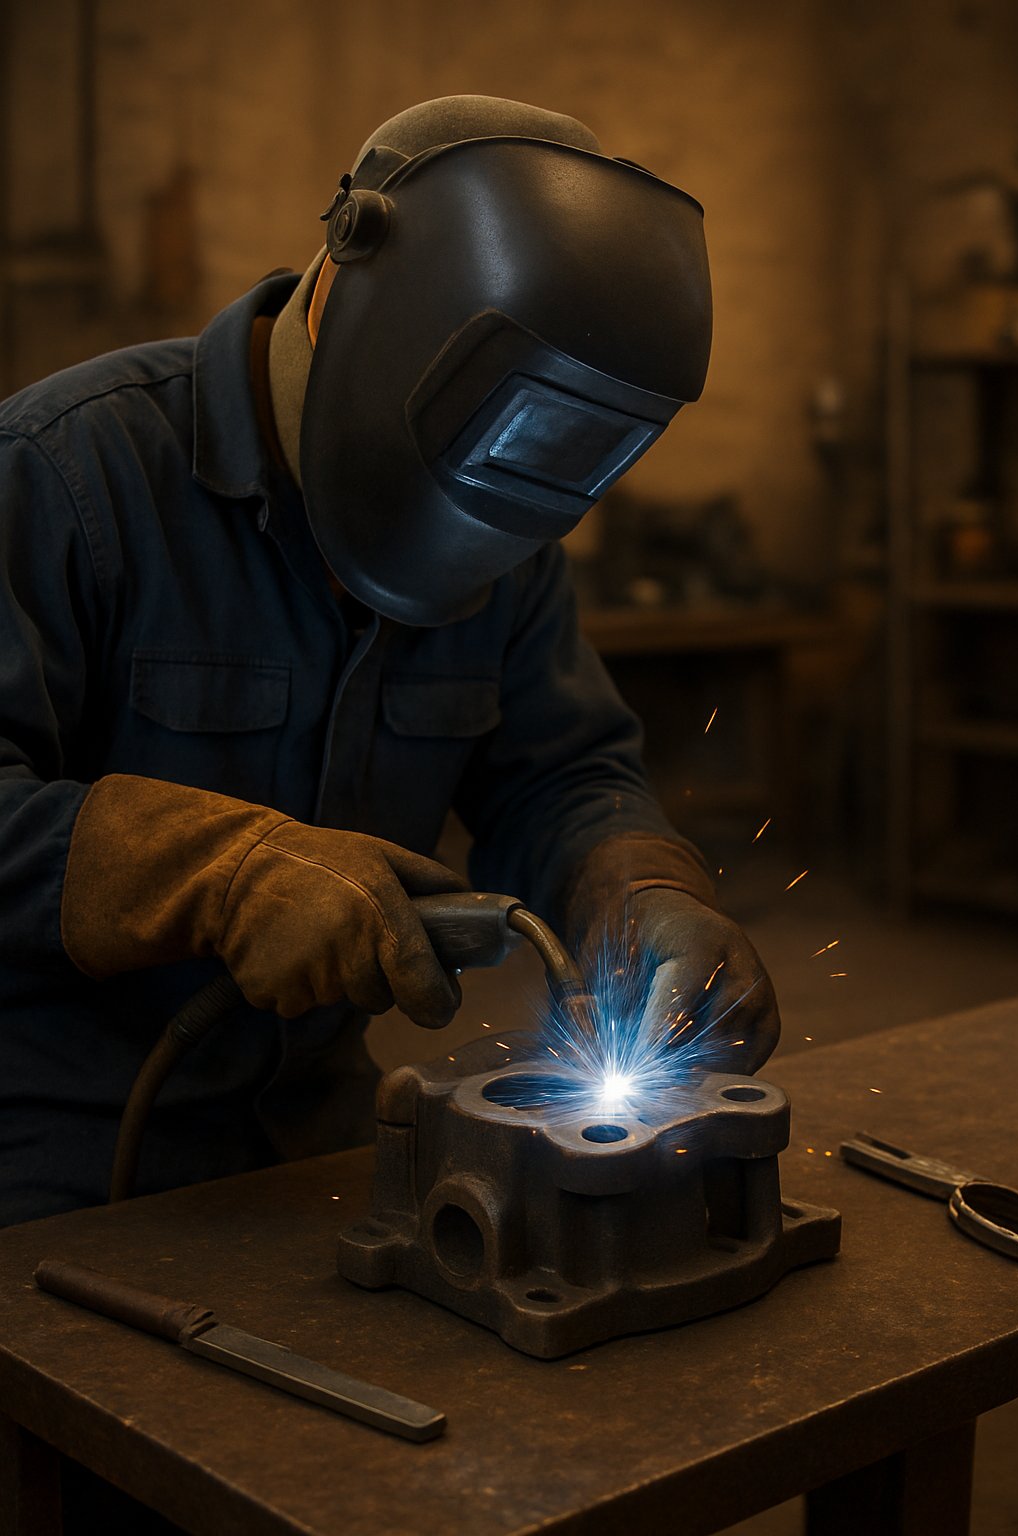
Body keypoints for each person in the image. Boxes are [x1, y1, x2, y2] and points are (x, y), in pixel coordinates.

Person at [0, 95, 780, 1229]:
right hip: (44, 1143)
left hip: (316, 1125)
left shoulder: (508, 545)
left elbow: (557, 775)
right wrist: (219, 874)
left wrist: (641, 893)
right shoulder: (63, 478)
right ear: (340, 289)